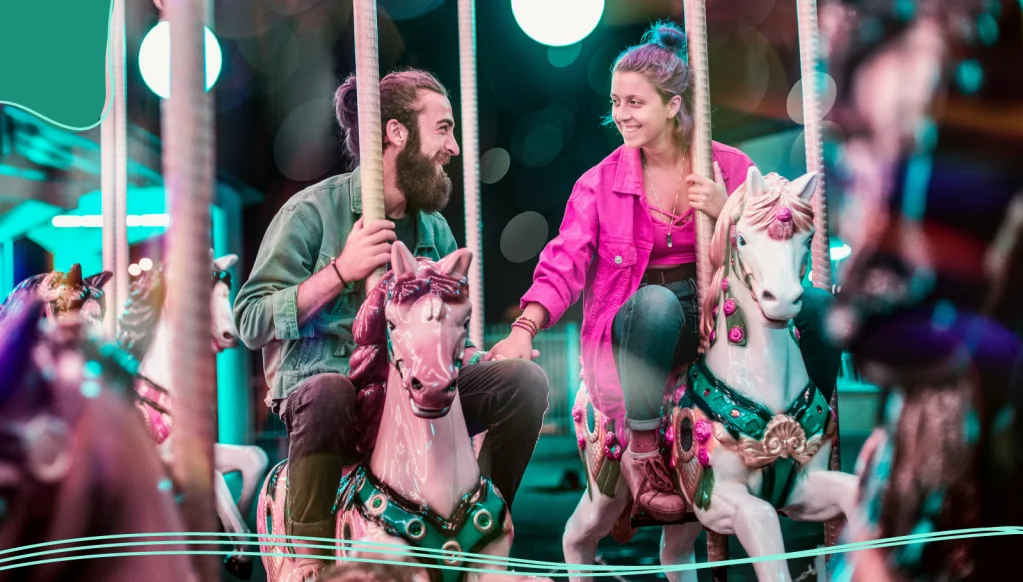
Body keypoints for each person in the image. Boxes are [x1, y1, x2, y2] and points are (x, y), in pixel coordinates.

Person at [489, 21, 841, 521]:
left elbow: (778, 235)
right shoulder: (600, 183)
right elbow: (564, 259)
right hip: (643, 324)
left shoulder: (733, 167)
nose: (620, 115)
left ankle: (808, 427)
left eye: (635, 103)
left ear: (673, 105)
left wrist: (727, 210)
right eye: (615, 102)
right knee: (656, 306)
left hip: (721, 308)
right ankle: (644, 450)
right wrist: (526, 327)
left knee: (823, 307)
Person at [233, 68, 550, 579]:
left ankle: (482, 526)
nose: (454, 147)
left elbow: (449, 338)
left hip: (415, 389)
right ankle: (311, 560)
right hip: (337, 395)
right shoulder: (313, 212)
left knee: (524, 383)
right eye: (443, 129)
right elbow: (249, 319)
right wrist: (340, 272)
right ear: (396, 132)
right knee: (329, 390)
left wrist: (477, 357)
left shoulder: (434, 230)